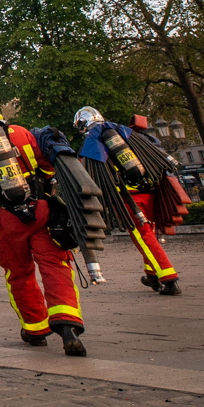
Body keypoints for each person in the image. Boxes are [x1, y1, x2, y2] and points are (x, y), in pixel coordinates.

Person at [0, 92, 87, 356]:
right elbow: (47, 166)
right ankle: (68, 326)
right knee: (56, 266)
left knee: (19, 274)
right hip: (40, 210)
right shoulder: (20, 133)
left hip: (5, 219)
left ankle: (36, 329)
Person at [74, 106, 183, 295]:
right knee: (149, 235)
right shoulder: (125, 132)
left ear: (82, 125)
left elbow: (91, 173)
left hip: (128, 199)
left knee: (143, 237)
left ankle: (168, 278)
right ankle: (152, 275)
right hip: (150, 191)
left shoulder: (93, 141)